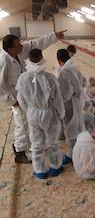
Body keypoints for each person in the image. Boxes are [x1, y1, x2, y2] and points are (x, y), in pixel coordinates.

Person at [0, 30, 66, 163]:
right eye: (18, 45)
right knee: (22, 124)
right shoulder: (2, 62)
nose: (22, 47)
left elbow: (36, 43)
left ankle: (29, 146)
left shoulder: (19, 51)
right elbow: (0, 86)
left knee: (28, 123)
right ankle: (19, 151)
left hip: (26, 94)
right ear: (10, 49)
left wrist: (53, 36)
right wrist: (12, 101)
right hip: (16, 97)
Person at [16, 49, 65, 179]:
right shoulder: (50, 78)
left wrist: (29, 111)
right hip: (48, 113)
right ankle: (55, 167)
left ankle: (40, 170)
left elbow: (21, 99)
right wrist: (61, 114)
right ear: (42, 57)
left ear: (29, 59)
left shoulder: (22, 78)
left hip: (33, 113)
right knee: (52, 141)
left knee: (36, 142)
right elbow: (58, 100)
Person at [57, 49, 83, 165]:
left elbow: (65, 93)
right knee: (77, 126)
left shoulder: (64, 71)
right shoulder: (74, 67)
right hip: (77, 100)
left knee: (70, 129)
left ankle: (73, 153)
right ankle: (78, 150)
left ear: (59, 60)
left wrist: (58, 102)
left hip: (69, 104)